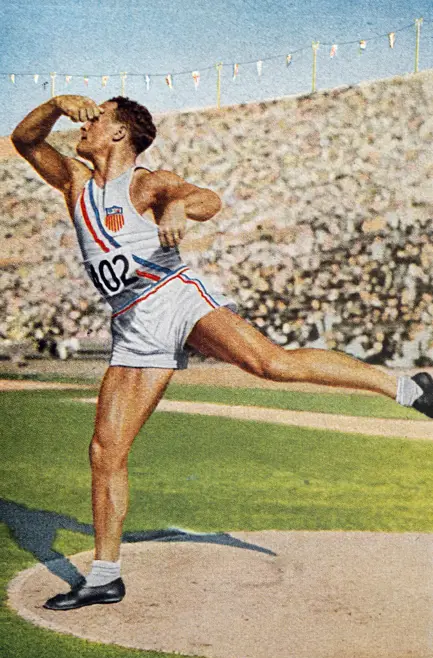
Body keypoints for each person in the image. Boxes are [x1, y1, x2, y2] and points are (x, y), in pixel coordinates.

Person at [11, 95, 433, 610]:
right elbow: (25, 139)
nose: (86, 123)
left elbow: (205, 198)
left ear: (120, 134)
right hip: (133, 324)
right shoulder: (74, 182)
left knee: (271, 364)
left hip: (174, 296)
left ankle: (410, 387)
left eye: (97, 118)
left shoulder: (145, 182)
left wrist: (175, 207)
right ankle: (104, 576)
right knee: (106, 452)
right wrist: (55, 103)